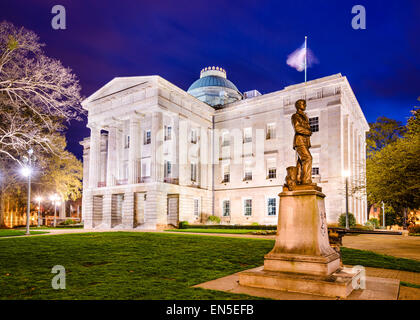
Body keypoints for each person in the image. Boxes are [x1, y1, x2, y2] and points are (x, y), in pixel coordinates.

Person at [291, 99, 313, 184]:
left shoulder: (304, 116)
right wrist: (308, 132)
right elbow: (297, 128)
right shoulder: (296, 116)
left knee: (300, 162)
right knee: (308, 158)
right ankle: (306, 180)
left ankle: (299, 179)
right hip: (299, 141)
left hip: (304, 141)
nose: (305, 106)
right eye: (303, 104)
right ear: (298, 105)